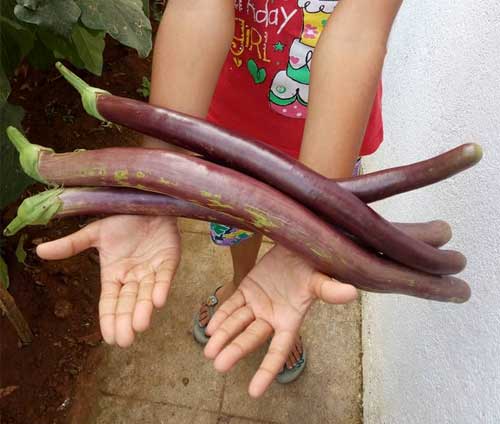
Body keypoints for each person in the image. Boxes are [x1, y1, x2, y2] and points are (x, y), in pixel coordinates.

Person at [36, 0, 402, 398]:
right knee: (237, 223)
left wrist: (308, 242)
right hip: (233, 130)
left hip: (329, 134)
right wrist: (154, 184)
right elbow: (197, 6)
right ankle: (242, 278)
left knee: (298, 240)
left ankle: (282, 268)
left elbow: (356, 34)